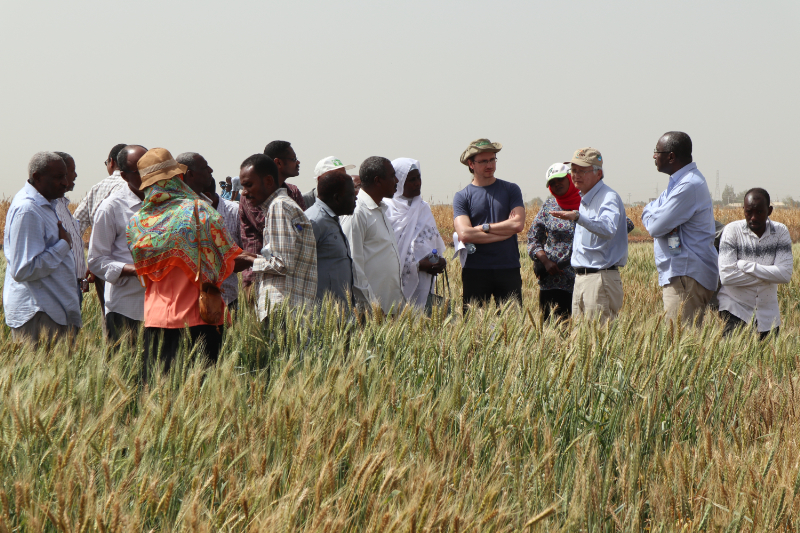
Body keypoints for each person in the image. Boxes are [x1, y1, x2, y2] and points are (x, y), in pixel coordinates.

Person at [127, 148, 255, 378]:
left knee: (160, 394)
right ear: (177, 178)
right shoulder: (199, 211)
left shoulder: (137, 222)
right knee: (200, 398)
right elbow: (225, 261)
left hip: (155, 321)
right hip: (199, 319)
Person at [3, 152, 81, 344]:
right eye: (58, 177)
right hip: (39, 313)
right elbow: (23, 269)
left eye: (65, 176)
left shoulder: (48, 204)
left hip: (52, 310)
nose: (65, 182)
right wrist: (63, 246)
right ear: (37, 177)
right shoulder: (28, 210)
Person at [642, 131, 718, 325]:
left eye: (657, 151)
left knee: (679, 346)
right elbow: (649, 210)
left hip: (685, 278)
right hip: (683, 276)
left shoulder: (688, 185)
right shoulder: (679, 183)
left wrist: (652, 214)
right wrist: (652, 213)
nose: (653, 156)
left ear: (671, 156)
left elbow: (656, 226)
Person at [551, 148, 628, 322]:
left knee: (600, 343)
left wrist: (578, 217)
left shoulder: (608, 197)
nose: (575, 175)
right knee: (582, 342)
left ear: (598, 173)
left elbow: (608, 229)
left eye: (581, 171)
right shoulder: (585, 198)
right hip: (581, 280)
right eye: (573, 170)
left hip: (600, 279)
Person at [238, 154, 317, 322]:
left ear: (267, 181)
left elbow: (281, 263)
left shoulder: (279, 207)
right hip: (294, 309)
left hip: (282, 309)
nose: (244, 192)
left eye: (249, 185)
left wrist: (250, 261)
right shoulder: (284, 205)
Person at [453, 139, 525, 311]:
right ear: (471, 164)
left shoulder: (511, 190)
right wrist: (504, 231)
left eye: (492, 159)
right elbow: (464, 234)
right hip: (475, 269)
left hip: (508, 267)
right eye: (483, 161)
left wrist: (484, 228)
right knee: (475, 327)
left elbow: (517, 224)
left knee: (512, 328)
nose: (490, 164)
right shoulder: (462, 196)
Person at [88, 145, 148, 342]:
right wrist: (135, 270)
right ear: (123, 176)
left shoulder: (165, 203)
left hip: (162, 307)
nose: (148, 175)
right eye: (140, 171)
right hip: (126, 308)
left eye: (150, 168)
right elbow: (96, 261)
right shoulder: (111, 208)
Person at [717, 189, 792, 339]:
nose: (753, 217)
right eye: (749, 212)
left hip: (768, 315)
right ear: (743, 209)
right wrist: (770, 275)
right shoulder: (732, 231)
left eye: (759, 212)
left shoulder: (781, 232)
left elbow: (784, 275)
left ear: (769, 210)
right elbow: (727, 277)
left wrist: (746, 266)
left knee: (767, 362)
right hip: (735, 308)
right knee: (734, 360)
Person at [177, 152, 244, 312]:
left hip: (227, 299)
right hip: (188, 303)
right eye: (204, 167)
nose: (211, 170)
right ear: (190, 174)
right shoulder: (176, 212)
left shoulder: (233, 211)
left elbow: (241, 251)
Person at [239, 140, 305, 292]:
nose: (298, 162)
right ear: (278, 163)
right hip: (258, 277)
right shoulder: (251, 194)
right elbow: (269, 226)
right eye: (293, 159)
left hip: (290, 276)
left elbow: (302, 227)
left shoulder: (292, 192)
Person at [340, 157, 404, 314]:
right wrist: (373, 306)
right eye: (392, 176)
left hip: (390, 308)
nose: (396, 180)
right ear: (378, 181)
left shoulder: (380, 209)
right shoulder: (357, 212)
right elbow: (353, 265)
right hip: (371, 311)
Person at [74, 143, 128, 318]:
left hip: (102, 267)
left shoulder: (97, 188)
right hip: (133, 267)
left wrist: (87, 263)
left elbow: (75, 228)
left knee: (110, 322)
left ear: (111, 162)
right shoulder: (137, 188)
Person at [385, 158, 446, 309]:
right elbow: (386, 254)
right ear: (398, 182)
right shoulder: (387, 209)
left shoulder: (423, 208)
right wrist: (416, 265)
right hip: (394, 284)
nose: (418, 183)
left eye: (419, 177)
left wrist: (440, 261)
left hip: (424, 283)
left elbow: (433, 243)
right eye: (412, 179)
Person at [527, 163, 580, 321]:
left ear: (570, 178)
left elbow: (621, 225)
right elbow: (532, 237)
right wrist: (545, 260)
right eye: (552, 182)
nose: (556, 184)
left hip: (583, 279)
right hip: (553, 279)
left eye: (560, 179)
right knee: (552, 333)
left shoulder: (588, 203)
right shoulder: (548, 207)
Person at [304, 167, 357, 303]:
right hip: (320, 316)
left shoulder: (331, 218)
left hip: (339, 313)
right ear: (337, 198)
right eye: (351, 195)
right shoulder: (314, 221)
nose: (356, 199)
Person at [54, 152, 89, 303]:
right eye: (71, 170)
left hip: (73, 286)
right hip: (60, 289)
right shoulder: (50, 207)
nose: (75, 175)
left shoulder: (62, 204)